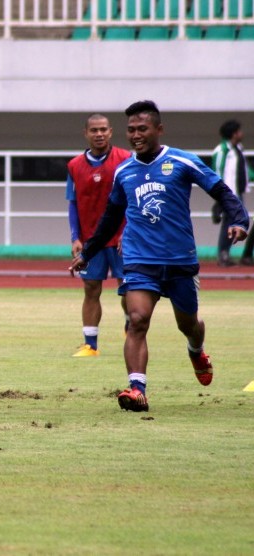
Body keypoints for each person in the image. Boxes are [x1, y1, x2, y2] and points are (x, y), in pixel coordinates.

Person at [69, 100, 249, 412]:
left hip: (180, 261)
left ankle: (196, 349)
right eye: (131, 130)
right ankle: (137, 389)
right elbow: (111, 217)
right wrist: (88, 251)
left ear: (158, 129)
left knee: (189, 324)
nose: (135, 135)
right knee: (137, 319)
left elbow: (220, 190)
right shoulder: (124, 170)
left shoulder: (182, 161)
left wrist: (239, 220)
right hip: (140, 259)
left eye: (142, 128)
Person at [66, 114, 131, 357]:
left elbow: (134, 199)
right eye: (94, 130)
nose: (99, 134)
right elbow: (72, 203)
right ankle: (90, 345)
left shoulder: (126, 160)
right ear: (86, 133)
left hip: (121, 238)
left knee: (128, 286)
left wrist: (129, 231)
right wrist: (75, 237)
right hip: (91, 241)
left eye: (103, 129)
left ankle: (130, 328)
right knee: (91, 288)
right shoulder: (74, 166)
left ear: (111, 132)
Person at [211, 119, 254, 266]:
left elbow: (245, 171)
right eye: (239, 131)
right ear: (234, 134)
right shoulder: (222, 150)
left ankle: (227, 254)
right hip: (227, 194)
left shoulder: (238, 149)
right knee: (228, 223)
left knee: (237, 222)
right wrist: (218, 197)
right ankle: (223, 254)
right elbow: (217, 172)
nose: (242, 134)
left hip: (238, 192)